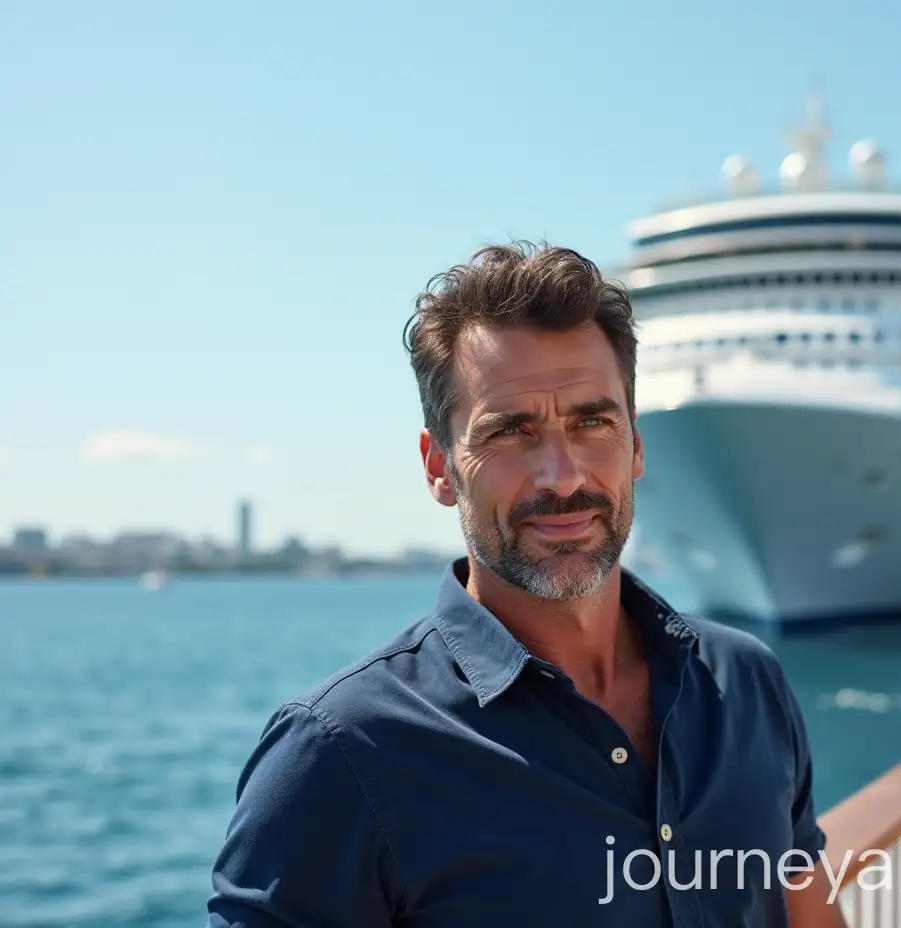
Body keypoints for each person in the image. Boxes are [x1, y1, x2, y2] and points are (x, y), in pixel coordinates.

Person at [205, 241, 848, 927]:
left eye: (592, 422)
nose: (563, 477)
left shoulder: (748, 684)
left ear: (635, 445)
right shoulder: (337, 755)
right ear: (438, 466)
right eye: (510, 431)